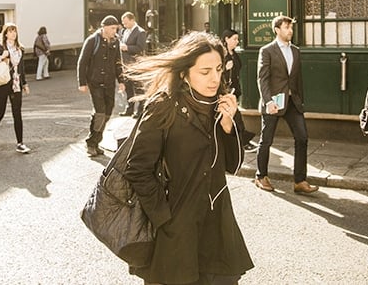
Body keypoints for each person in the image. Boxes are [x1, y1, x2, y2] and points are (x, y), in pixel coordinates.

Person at [121, 31, 253, 284]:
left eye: (218, 69)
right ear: (184, 72)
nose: (215, 78)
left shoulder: (224, 104)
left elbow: (234, 166)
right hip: (176, 229)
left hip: (218, 228)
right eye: (205, 72)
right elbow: (137, 169)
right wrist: (163, 217)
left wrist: (228, 125)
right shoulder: (163, 106)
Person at [254, 15, 318, 195]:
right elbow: (263, 79)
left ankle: (300, 181)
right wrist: (268, 101)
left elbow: (297, 79)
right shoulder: (267, 50)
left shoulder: (296, 51)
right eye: (286, 27)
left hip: (292, 102)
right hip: (273, 102)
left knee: (302, 138)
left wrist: (300, 100)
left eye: (291, 27)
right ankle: (261, 176)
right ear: (277, 29)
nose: (290, 31)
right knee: (266, 140)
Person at [78, 15, 125, 156]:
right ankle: (91, 144)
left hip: (109, 83)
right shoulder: (92, 40)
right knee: (100, 113)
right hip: (95, 82)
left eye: (116, 28)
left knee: (107, 113)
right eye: (112, 28)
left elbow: (118, 62)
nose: (114, 31)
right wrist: (82, 83)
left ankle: (96, 141)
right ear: (104, 27)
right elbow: (82, 62)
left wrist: (121, 81)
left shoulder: (116, 42)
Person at [0, 23, 31, 154]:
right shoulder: (0, 48)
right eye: (10, 31)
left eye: (15, 31)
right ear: (5, 34)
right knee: (1, 112)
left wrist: (25, 84)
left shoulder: (20, 49)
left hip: (15, 85)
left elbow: (21, 68)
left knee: (17, 114)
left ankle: (20, 143)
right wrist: (1, 57)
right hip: (2, 84)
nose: (13, 34)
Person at [221, 29, 257, 152]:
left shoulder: (234, 53)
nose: (237, 41)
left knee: (235, 116)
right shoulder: (222, 54)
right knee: (236, 116)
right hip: (225, 91)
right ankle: (243, 142)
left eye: (237, 39)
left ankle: (240, 141)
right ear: (226, 39)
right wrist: (225, 69)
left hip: (234, 90)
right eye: (234, 39)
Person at [118, 12, 147, 117]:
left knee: (138, 89)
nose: (124, 25)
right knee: (128, 89)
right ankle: (129, 109)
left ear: (132, 20)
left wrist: (127, 48)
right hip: (125, 65)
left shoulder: (140, 32)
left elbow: (140, 48)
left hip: (135, 65)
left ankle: (140, 110)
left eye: (126, 23)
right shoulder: (124, 31)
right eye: (123, 23)